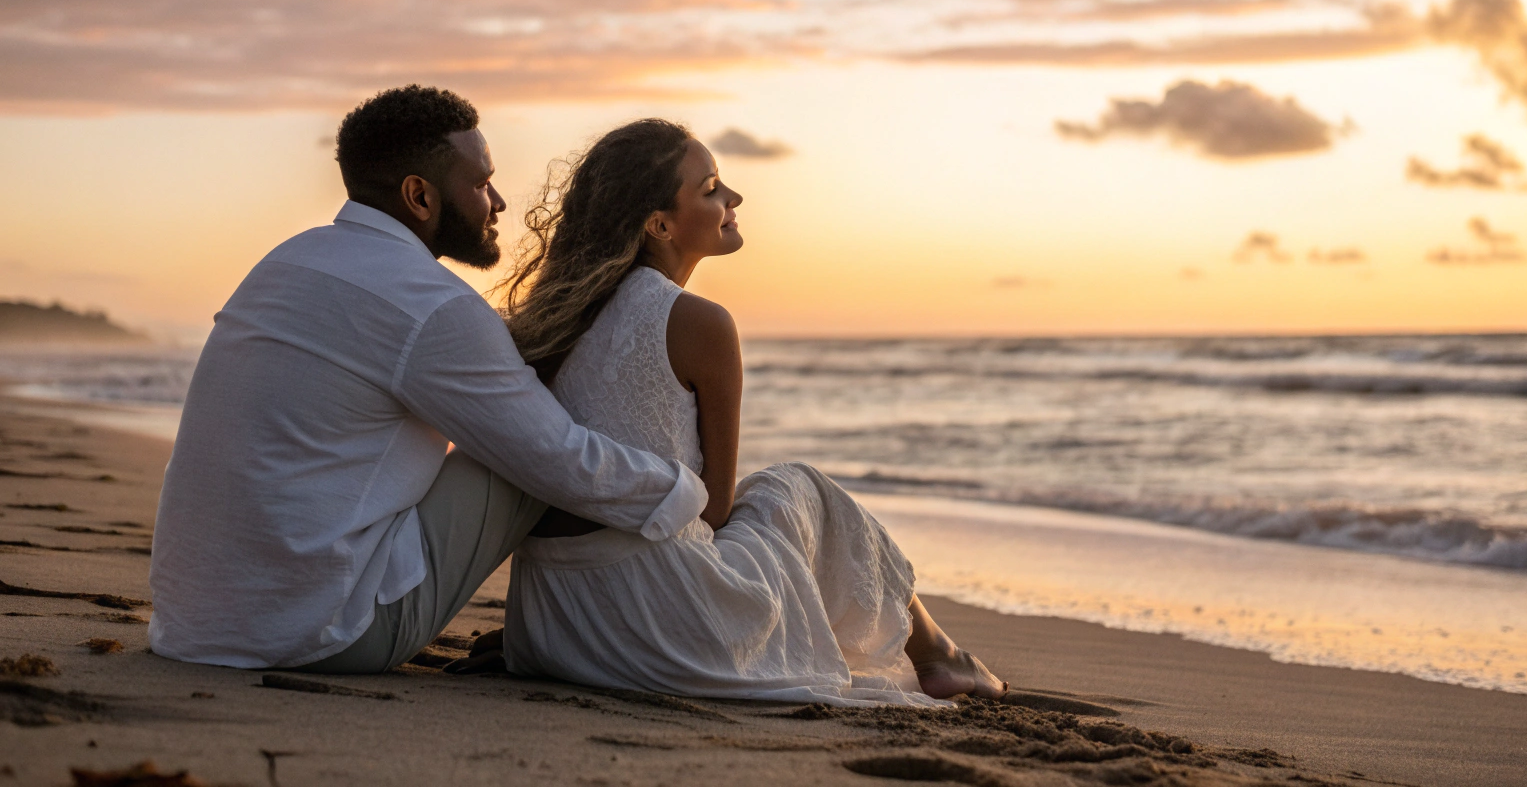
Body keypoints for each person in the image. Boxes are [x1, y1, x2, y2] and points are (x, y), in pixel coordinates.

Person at [148, 86, 707, 672]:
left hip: (191, 624)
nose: (498, 203)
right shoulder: (434, 307)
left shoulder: (285, 262)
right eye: (482, 183)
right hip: (320, 633)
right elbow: (556, 459)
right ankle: (584, 633)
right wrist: (687, 493)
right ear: (420, 195)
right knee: (527, 447)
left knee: (509, 433)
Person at [481, 118, 1007, 705]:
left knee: (768, 496)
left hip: (556, 620)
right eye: (709, 188)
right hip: (673, 628)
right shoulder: (700, 322)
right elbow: (717, 507)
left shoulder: (547, 321)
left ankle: (940, 652)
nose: (733, 198)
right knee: (793, 487)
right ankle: (940, 654)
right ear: (659, 225)